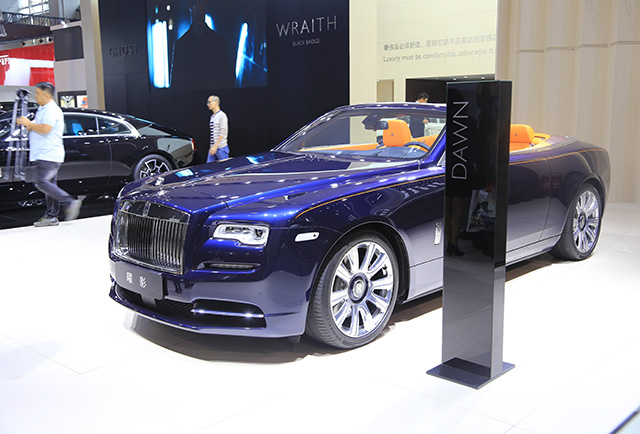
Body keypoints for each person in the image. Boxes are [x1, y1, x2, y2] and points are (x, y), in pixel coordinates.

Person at [16, 82, 81, 227]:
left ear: (46, 95)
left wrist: (29, 123)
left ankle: (69, 202)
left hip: (48, 154)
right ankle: (51, 216)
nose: (36, 96)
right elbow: (36, 128)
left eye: (38, 93)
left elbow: (46, 128)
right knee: (49, 184)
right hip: (44, 153)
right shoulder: (42, 109)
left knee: (41, 182)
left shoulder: (51, 109)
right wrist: (27, 124)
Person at [206, 95, 229, 162]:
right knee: (209, 166)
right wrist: (212, 146)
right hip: (213, 147)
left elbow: (223, 132)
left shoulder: (222, 115)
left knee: (224, 166)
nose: (208, 104)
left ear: (215, 102)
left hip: (221, 148)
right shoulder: (212, 117)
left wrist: (215, 146)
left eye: (209, 102)